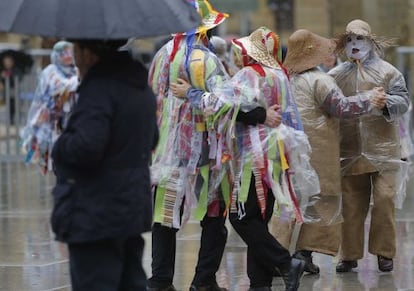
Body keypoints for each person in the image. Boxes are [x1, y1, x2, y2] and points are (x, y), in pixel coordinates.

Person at [171, 26, 317, 291]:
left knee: (242, 218)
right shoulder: (280, 75)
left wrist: (189, 93)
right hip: (277, 158)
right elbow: (291, 117)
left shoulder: (250, 75)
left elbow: (220, 104)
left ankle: (285, 263)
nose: (240, 54)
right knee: (258, 217)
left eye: (244, 50)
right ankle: (260, 283)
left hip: (255, 156)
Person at [50, 39, 158, 290]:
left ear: (88, 53)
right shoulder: (139, 86)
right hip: (130, 208)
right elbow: (151, 137)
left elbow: (85, 147)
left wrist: (63, 140)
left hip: (96, 212)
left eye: (76, 49)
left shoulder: (98, 89)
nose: (74, 56)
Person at [280, 29, 387, 274]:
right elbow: (341, 108)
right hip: (317, 151)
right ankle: (303, 252)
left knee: (290, 202)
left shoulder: (287, 78)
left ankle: (280, 254)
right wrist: (369, 98)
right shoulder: (319, 80)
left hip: (289, 150)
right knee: (320, 202)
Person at [147, 1, 231, 290]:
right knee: (214, 216)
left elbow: (151, 100)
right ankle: (203, 280)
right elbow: (224, 104)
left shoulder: (161, 56)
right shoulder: (207, 60)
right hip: (205, 154)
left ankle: (160, 280)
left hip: (166, 152)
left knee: (165, 216)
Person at [328, 19, 410, 273]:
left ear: (370, 42)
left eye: (360, 39)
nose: (355, 44)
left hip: (385, 150)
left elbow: (403, 100)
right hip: (350, 150)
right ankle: (350, 255)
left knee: (385, 200)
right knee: (352, 205)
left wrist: (386, 102)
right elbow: (327, 103)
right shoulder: (336, 75)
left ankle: (385, 253)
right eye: (350, 40)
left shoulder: (388, 72)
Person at [21, 41, 79, 174]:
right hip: (51, 125)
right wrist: (77, 81)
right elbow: (58, 87)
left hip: (71, 123)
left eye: (70, 52)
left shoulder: (75, 71)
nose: (68, 56)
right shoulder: (50, 71)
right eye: (63, 53)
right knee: (56, 162)